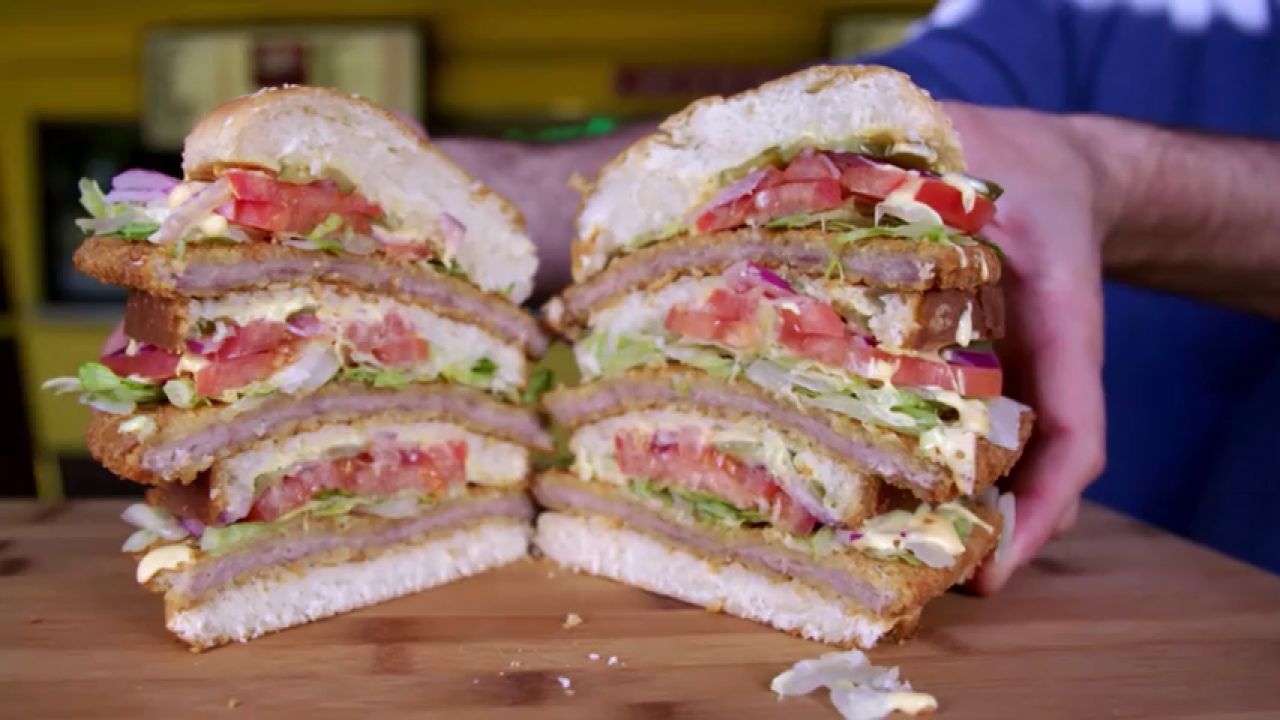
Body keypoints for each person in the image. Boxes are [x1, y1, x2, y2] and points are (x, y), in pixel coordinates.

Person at [104, 0, 1280, 586]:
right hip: (1092, 565)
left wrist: (1123, 174)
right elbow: (872, 136)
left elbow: (1031, 167)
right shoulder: (1060, 14)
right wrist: (405, 203)